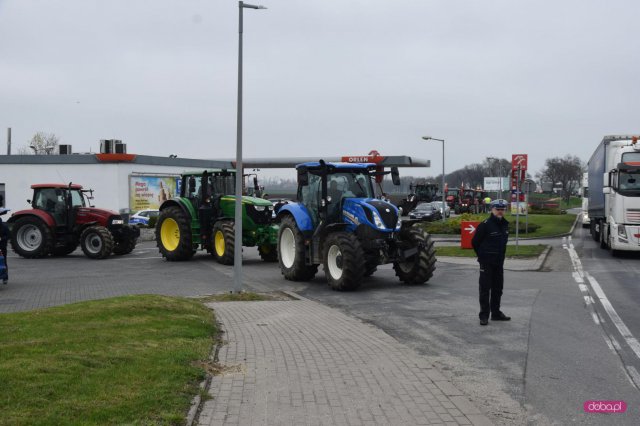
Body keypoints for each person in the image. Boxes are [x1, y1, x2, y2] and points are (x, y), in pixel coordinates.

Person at [472, 199, 510, 326]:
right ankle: (484, 316)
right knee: (485, 289)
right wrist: (482, 257)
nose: (500, 211)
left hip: (499, 263)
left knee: (498, 289)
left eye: (502, 209)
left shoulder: (505, 224)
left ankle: (496, 313)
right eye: (497, 209)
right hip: (486, 262)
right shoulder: (485, 225)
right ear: (492, 210)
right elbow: (475, 242)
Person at [0, 209, 9, 285]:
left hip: (2, 247)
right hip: (2, 246)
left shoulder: (4, 226)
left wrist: (1, 239)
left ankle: (5, 277)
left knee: (3, 262)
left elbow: (7, 236)